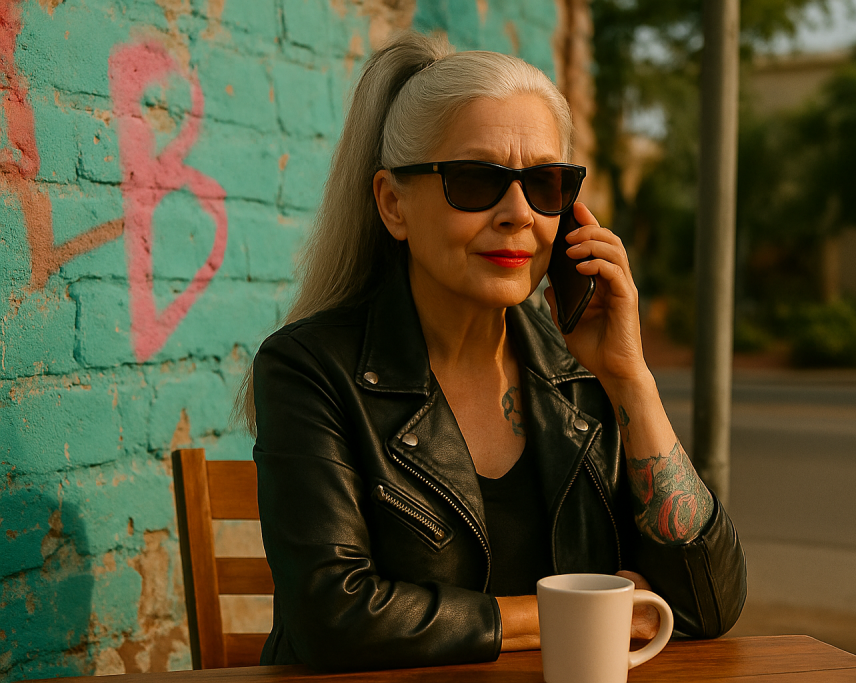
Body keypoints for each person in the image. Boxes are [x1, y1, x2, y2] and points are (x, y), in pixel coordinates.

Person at [237, 32, 745, 672]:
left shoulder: (583, 373)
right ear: (393, 203)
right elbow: (330, 618)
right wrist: (572, 610)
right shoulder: (309, 367)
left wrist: (631, 378)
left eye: (545, 184)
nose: (516, 213)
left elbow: (707, 602)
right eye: (475, 180)